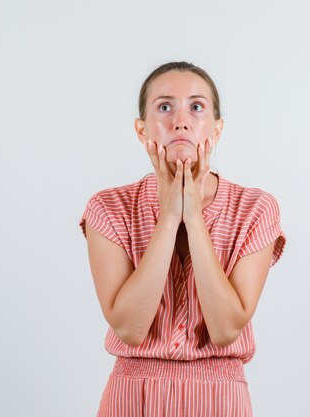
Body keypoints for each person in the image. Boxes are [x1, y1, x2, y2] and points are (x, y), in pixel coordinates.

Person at [78, 61, 286, 417]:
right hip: (132, 398)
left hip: (221, 399)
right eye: (164, 107)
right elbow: (129, 327)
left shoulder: (255, 209)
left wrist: (193, 215)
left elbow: (225, 329)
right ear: (141, 129)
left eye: (196, 106)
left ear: (217, 129)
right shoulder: (108, 208)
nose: (181, 121)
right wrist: (169, 215)